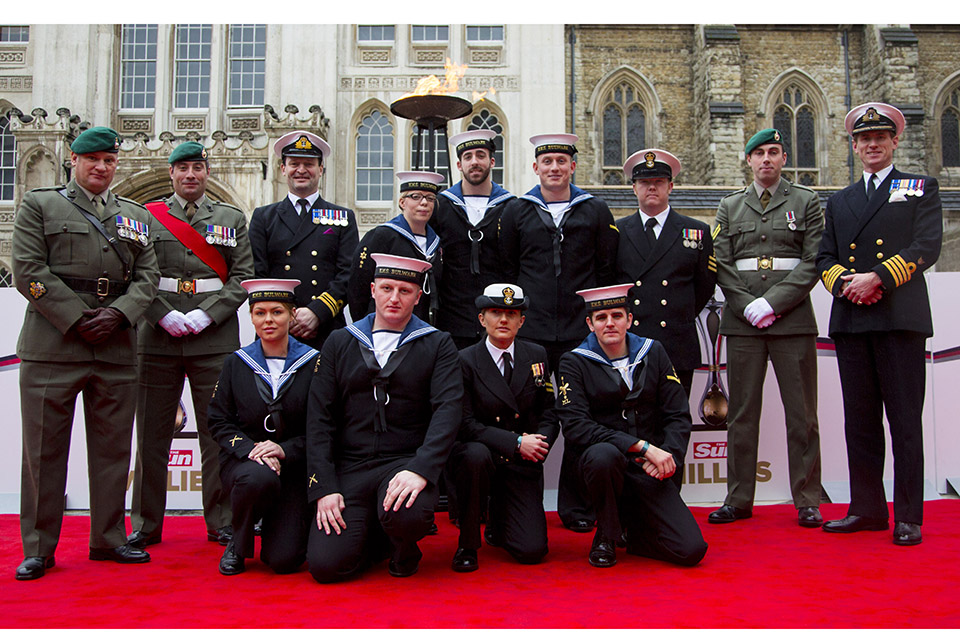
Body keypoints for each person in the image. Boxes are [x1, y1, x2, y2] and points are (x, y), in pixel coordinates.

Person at [12, 126, 160, 580]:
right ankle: (38, 546)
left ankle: (109, 538)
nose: (101, 167)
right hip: (53, 344)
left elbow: (148, 276)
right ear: (73, 161)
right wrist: (78, 318)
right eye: (92, 159)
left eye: (109, 160)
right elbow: (29, 271)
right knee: (44, 450)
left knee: (113, 450)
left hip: (114, 345)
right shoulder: (41, 205)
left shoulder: (134, 215)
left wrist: (118, 315)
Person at [816, 103, 942, 546]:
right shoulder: (840, 200)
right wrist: (848, 285)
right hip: (853, 319)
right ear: (853, 146)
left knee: (905, 420)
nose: (872, 145)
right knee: (860, 421)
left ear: (893, 142)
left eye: (880, 138)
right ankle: (866, 508)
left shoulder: (919, 187)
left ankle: (908, 514)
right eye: (864, 139)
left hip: (898, 318)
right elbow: (825, 258)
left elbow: (927, 246)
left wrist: (879, 278)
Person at [128, 141, 254, 550]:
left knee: (216, 434)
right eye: (182, 168)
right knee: (151, 434)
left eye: (197, 168)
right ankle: (147, 523)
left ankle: (220, 520)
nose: (190, 175)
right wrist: (160, 312)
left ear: (207, 172)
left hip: (212, 338)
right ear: (170, 173)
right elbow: (136, 274)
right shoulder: (148, 217)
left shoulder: (231, 218)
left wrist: (208, 314)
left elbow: (242, 277)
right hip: (159, 335)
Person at [306, 254, 462, 582]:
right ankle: (378, 537)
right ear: (373, 290)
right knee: (327, 568)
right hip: (351, 466)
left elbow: (448, 411)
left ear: (418, 297)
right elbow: (319, 417)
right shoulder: (340, 341)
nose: (394, 298)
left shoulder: (438, 343)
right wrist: (324, 485)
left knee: (408, 516)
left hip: (404, 463)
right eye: (387, 288)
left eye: (405, 291)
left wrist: (421, 470)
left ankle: (404, 547)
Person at [499, 133, 620, 534]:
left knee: (581, 419)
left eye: (561, 161)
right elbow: (509, 272)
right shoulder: (517, 211)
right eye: (546, 161)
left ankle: (576, 505)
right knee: (529, 417)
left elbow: (606, 271)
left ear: (572, 167)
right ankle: (519, 504)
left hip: (578, 333)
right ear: (535, 168)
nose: (554, 168)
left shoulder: (596, 211)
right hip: (530, 334)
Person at [709, 128, 824, 528]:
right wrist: (747, 306)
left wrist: (771, 304)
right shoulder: (729, 207)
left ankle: (807, 498)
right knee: (741, 415)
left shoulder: (807, 202)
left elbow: (813, 261)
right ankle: (739, 498)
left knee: (802, 415)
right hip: (743, 324)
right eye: (759, 153)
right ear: (749, 160)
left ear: (784, 157)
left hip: (792, 321)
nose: (766, 160)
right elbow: (721, 263)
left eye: (773, 152)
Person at [557, 284, 707, 568]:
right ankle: (606, 534)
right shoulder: (573, 361)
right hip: (605, 467)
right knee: (603, 456)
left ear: (629, 319)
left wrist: (668, 456)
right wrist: (642, 447)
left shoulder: (655, 351)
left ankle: (633, 530)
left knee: (691, 550)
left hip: (650, 469)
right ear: (590, 323)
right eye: (601, 318)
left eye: (617, 315)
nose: (610, 323)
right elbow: (576, 427)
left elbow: (677, 414)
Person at [207, 279, 318, 575]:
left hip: (295, 468)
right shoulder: (236, 363)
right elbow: (218, 420)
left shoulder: (313, 364)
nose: (268, 320)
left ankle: (276, 524)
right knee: (258, 478)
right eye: (259, 313)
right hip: (247, 464)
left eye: (277, 312)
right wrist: (252, 449)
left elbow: (322, 427)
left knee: (284, 561)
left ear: (292, 315)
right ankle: (238, 544)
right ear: (251, 317)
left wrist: (284, 450)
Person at [448, 283, 559, 572]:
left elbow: (549, 410)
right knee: (473, 456)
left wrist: (540, 443)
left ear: (522, 321)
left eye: (511, 314)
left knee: (532, 551)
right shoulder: (464, 361)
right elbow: (464, 424)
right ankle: (468, 543)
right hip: (483, 458)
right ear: (482, 319)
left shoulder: (537, 356)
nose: (503, 320)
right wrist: (515, 442)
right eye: (495, 312)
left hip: (522, 463)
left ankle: (498, 522)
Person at [615, 148, 717, 396]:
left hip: (677, 342)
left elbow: (705, 286)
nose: (652, 187)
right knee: (635, 422)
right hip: (632, 343)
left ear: (670, 187)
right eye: (644, 182)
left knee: (676, 421)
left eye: (659, 182)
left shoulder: (696, 231)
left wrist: (677, 315)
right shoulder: (617, 232)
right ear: (634, 188)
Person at [248, 130, 358, 349]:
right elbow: (257, 275)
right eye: (294, 163)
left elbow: (349, 274)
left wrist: (317, 312)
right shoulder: (263, 217)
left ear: (320, 169)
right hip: (276, 329)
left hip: (326, 328)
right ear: (283, 169)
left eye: (308, 164)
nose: (301, 170)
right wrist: (284, 316)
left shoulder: (343, 217)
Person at [432, 130, 516, 350]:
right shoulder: (440, 206)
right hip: (452, 320)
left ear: (492, 161)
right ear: (459, 165)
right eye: (468, 157)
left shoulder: (511, 207)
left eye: (481, 155)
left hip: (499, 319)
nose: (474, 162)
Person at [348, 171, 445, 325]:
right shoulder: (382, 236)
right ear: (402, 202)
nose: (424, 202)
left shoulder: (437, 243)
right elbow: (357, 288)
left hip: (425, 328)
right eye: (416, 196)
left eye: (430, 198)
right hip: (385, 327)